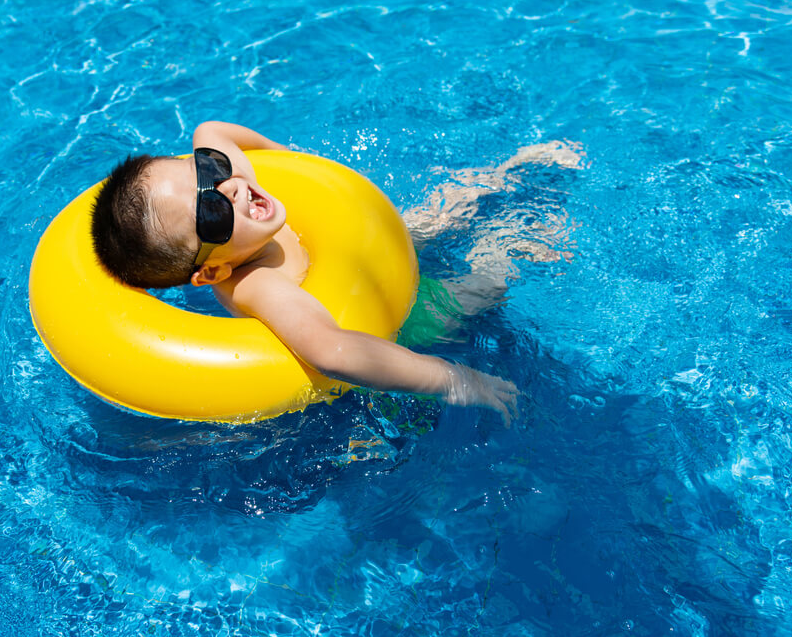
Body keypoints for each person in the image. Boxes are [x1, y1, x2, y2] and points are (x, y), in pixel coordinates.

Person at [90, 121, 583, 426]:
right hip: (405, 311)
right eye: (211, 214)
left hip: (369, 244)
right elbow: (333, 351)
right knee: (483, 286)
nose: (232, 190)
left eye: (207, 173)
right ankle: (516, 249)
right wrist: (455, 380)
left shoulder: (234, 185)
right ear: (212, 269)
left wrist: (303, 170)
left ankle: (505, 177)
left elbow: (210, 132)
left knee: (440, 212)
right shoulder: (257, 284)